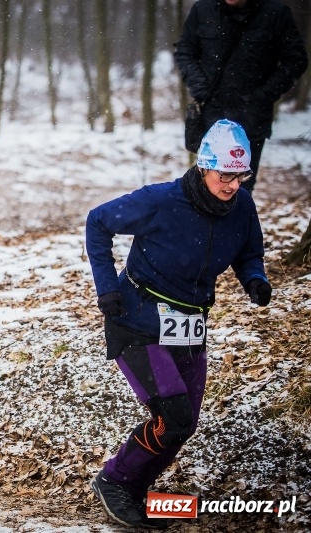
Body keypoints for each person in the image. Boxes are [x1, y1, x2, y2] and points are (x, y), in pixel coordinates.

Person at [85, 119, 272, 529]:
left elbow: (248, 251)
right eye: (225, 175)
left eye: (241, 176)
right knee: (174, 418)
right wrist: (106, 287)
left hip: (190, 324)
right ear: (204, 166)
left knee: (182, 423)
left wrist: (254, 279)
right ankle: (115, 481)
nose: (233, 185)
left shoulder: (242, 206)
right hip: (135, 320)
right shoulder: (161, 200)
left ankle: (132, 489)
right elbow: (97, 222)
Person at [174, 0, 307, 192]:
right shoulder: (202, 10)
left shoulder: (276, 13)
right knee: (205, 188)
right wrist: (200, 88)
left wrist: (263, 95)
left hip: (252, 118)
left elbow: (295, 60)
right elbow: (185, 53)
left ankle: (237, 222)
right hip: (209, 114)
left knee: (239, 189)